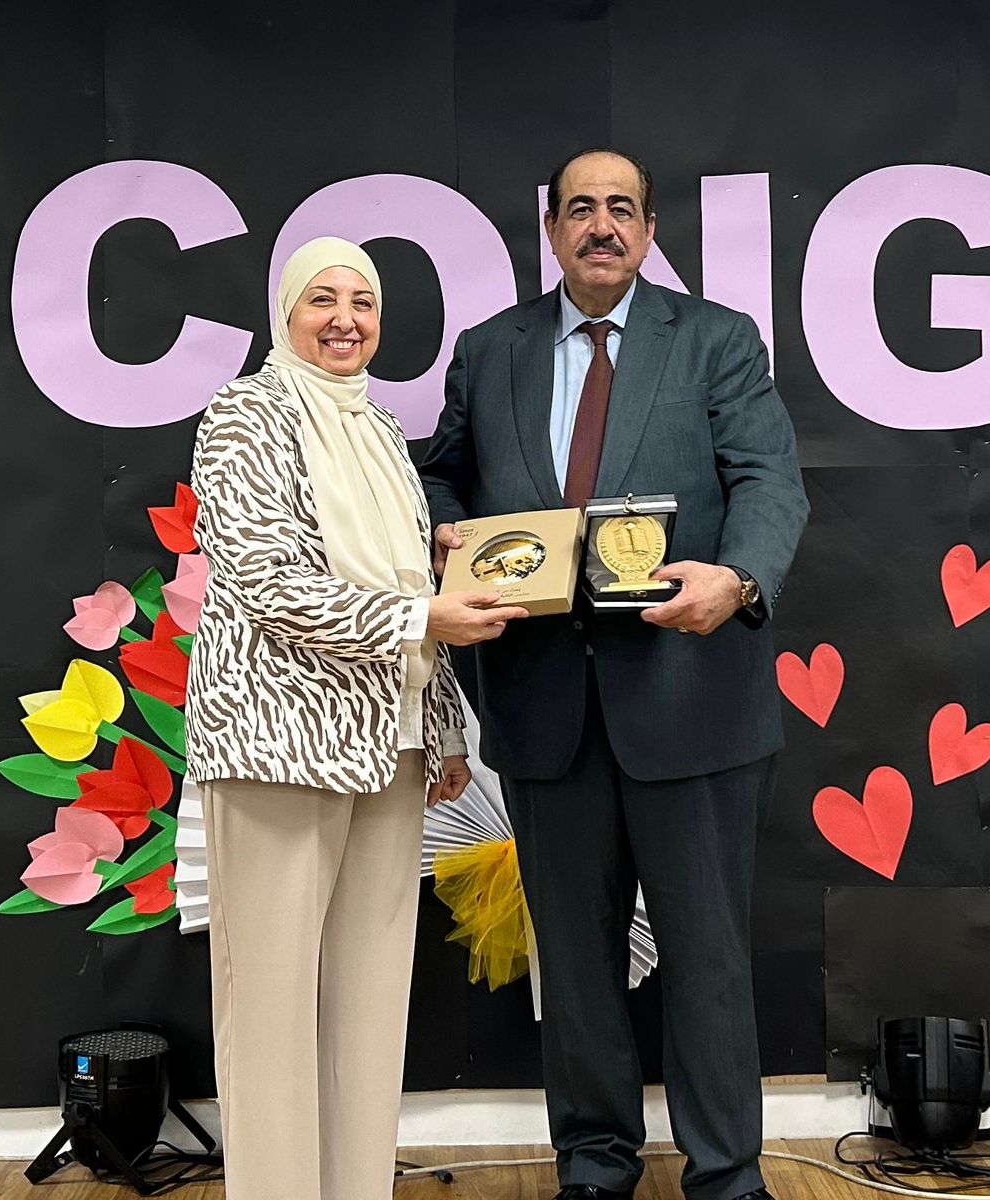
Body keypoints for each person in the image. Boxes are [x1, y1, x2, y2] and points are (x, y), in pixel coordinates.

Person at [421, 150, 808, 1200]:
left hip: (693, 701)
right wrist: (443, 529)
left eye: (622, 209)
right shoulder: (488, 351)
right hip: (543, 705)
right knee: (576, 964)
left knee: (708, 957)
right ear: (551, 229)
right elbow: (441, 473)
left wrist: (738, 579)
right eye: (581, 208)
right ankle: (593, 1167)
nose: (602, 225)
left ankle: (727, 1176)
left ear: (648, 231)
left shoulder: (718, 340)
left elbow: (769, 479)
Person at [185, 236, 528, 1200]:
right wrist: (424, 618)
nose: (345, 320)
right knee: (269, 1007)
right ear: (286, 313)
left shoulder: (377, 427)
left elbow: (416, 582)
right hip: (278, 744)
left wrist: (445, 729)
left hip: (394, 745)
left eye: (363, 302)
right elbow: (269, 584)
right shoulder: (245, 416)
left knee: (372, 1008)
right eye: (322, 300)